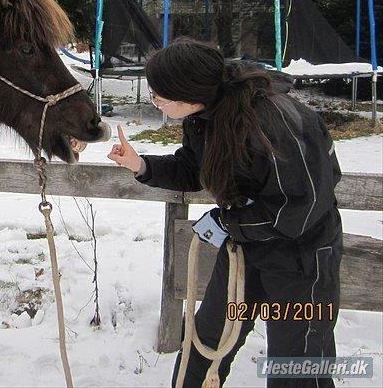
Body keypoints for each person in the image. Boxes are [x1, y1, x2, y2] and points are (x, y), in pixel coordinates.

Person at [107, 38, 342, 388]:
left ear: (189, 94)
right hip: (244, 251)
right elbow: (192, 168)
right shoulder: (203, 116)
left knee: (297, 363)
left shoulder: (275, 122)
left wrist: (228, 222)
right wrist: (140, 164)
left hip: (301, 260)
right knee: (204, 345)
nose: (153, 101)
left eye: (159, 95)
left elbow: (298, 209)